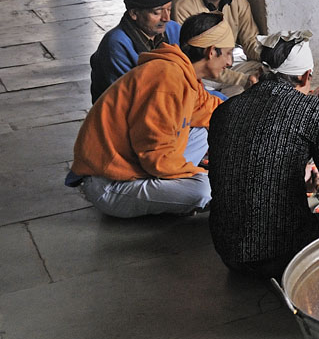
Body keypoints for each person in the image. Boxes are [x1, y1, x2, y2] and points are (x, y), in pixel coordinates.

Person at [67, 13, 234, 218]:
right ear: (211, 52)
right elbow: (156, 157)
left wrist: (251, 110)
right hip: (111, 183)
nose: (230, 62)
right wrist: (202, 173)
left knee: (208, 127)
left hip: (140, 164)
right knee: (205, 190)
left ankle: (168, 190)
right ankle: (166, 192)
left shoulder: (183, 73)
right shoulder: (166, 79)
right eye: (227, 53)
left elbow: (211, 109)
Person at [207, 33, 319, 279]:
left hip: (228, 253)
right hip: (284, 253)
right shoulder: (313, 109)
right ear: (305, 76)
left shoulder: (224, 110)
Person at [172, 0, 261, 95]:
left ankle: (225, 99)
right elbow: (192, 61)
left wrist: (273, 56)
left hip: (227, 66)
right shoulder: (182, 5)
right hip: (201, 73)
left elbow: (251, 41)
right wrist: (240, 80)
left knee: (263, 71)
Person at [89, 0, 181, 103]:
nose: (166, 18)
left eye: (169, 9)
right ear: (134, 14)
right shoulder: (115, 44)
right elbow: (132, 98)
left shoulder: (173, 29)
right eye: (157, 12)